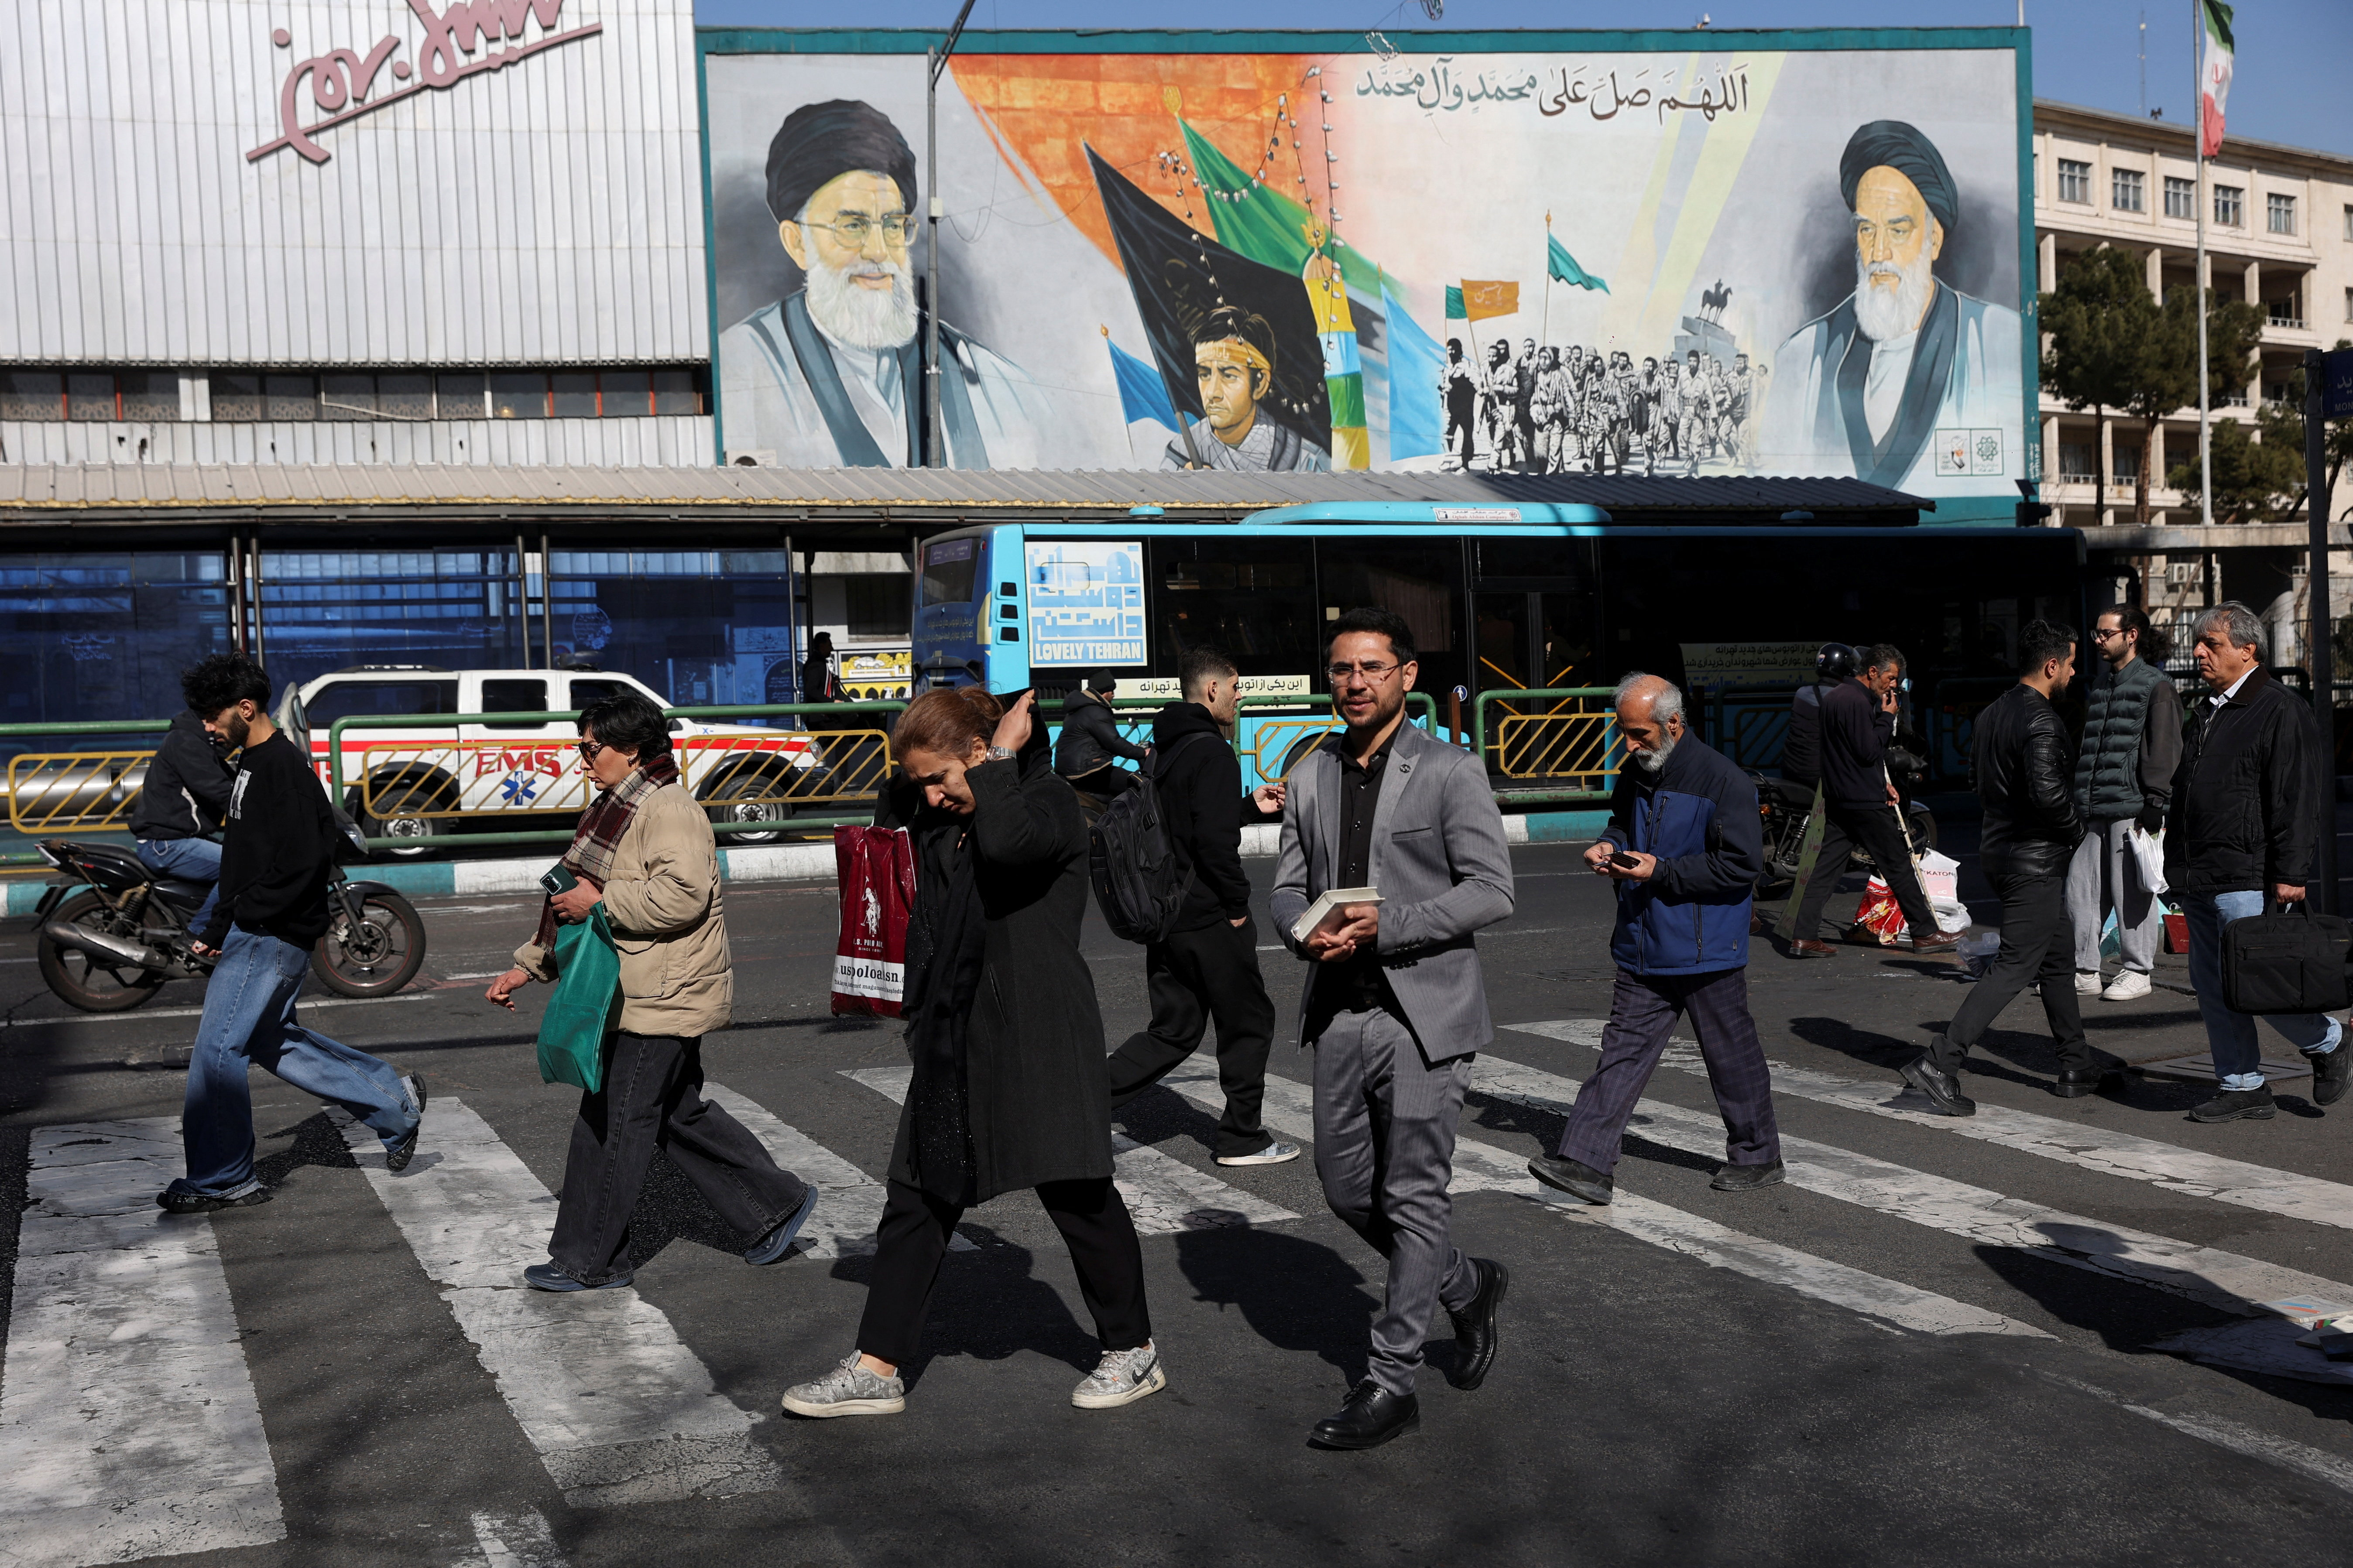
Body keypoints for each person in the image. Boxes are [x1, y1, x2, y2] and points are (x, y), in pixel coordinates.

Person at [782, 686, 1162, 1417]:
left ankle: (1132, 1346)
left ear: (982, 756)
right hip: (955, 1029)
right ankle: (877, 1363)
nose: (930, 793)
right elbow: (893, 831)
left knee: (1075, 1188)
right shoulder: (937, 812)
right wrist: (929, 775)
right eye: (919, 779)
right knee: (919, 1192)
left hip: (1038, 1027)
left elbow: (1007, 845)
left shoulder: (1045, 801)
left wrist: (1003, 760)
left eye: (941, 776)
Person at [1271, 606, 1513, 1450]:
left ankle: (1391, 1379)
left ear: (1406, 676)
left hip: (1426, 1013)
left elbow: (1492, 887)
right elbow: (1286, 884)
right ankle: (1465, 1279)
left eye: (1372, 667)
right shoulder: (1309, 774)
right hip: (1338, 1010)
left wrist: (1393, 923)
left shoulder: (1450, 769)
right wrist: (1302, 929)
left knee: (1413, 1196)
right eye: (1341, 669)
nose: (1355, 683)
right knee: (1345, 1190)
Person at [486, 691, 816, 1290]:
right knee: (674, 1114)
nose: (582, 760)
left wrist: (602, 900)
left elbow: (682, 896)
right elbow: (573, 904)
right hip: (633, 989)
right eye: (580, 746)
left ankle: (592, 1259)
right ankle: (774, 1205)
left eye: (591, 747)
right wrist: (530, 965)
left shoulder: (666, 808)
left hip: (662, 996)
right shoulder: (619, 808)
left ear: (631, 749)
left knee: (613, 1121)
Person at [159, 654, 424, 1214]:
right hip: (255, 930)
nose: (207, 726)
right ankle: (393, 1104)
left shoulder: (283, 769)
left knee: (217, 1052)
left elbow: (305, 862)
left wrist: (249, 916)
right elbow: (243, 859)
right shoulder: (252, 765)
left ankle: (223, 1177)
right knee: (272, 1042)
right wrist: (216, 922)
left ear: (245, 708)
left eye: (213, 715)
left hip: (269, 936)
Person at [1529, 674, 1784, 1202]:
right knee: (1620, 1053)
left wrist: (1660, 871)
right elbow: (1621, 823)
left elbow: (1740, 867)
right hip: (1643, 940)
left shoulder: (1723, 781)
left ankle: (1758, 1156)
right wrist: (1608, 846)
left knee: (1729, 1055)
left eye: (1638, 734)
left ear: (1673, 724)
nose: (1629, 744)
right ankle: (1585, 1162)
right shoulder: (1636, 771)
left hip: (1706, 947)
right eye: (1623, 732)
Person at [718, 99, 1048, 469]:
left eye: (893, 226)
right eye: (852, 226)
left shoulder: (995, 383)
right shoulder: (739, 368)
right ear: (797, 243)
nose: (878, 251)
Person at [1104, 647, 1298, 1166]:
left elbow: (1180, 822)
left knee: (1175, 1028)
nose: (1241, 696)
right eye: (1236, 687)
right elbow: (1212, 845)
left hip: (1165, 911)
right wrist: (1237, 904)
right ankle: (1241, 1138)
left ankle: (1079, 1106)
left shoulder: (1161, 747)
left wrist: (1244, 807)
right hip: (1208, 914)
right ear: (1212, 689)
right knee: (1249, 1022)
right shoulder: (1212, 751)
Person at [1759, 119, 2023, 491]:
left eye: (1898, 230)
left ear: (1934, 239)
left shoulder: (2001, 342)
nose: (1878, 252)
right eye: (1867, 230)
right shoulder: (1801, 361)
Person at [1900, 621, 2100, 1113]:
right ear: (2051, 665)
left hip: (2000, 850)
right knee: (2014, 965)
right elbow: (2048, 795)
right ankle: (1939, 1062)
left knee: (2055, 958)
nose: (2075, 673)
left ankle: (2076, 1063)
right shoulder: (2043, 720)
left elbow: (1978, 779)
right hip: (2033, 857)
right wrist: (2078, 831)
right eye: (2071, 664)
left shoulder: (1992, 713)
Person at [2161, 602, 2348, 1122]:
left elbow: (2296, 795)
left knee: (2256, 982)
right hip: (2199, 873)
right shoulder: (2210, 708)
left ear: (2248, 650)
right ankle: (2241, 1084)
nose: (2199, 652)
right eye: (2198, 643)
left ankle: (2328, 1041)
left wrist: (2291, 872)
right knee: (2213, 986)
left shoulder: (2278, 708)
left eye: (2212, 644)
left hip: (2246, 872)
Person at [1787, 643, 1954, 958]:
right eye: (1890, 678)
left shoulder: (1836, 697)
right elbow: (1868, 751)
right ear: (1873, 672)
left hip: (1840, 797)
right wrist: (1886, 718)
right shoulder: (1859, 702)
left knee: (1826, 870)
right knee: (1898, 865)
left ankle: (1803, 937)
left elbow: (1848, 752)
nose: (1894, 685)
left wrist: (1883, 783)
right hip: (1862, 801)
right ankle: (1926, 932)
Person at [2067, 608, 2182, 1003]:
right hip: (2093, 805)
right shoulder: (2102, 684)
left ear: (2131, 635)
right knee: (2082, 889)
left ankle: (2137, 970)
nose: (2097, 640)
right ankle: (2086, 969)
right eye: (2096, 633)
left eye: (2105, 634)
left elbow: (2164, 748)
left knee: (2131, 892)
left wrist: (2156, 801)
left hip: (2132, 806)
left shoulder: (2156, 686)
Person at [1162, 304, 1332, 472]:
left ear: (1260, 384)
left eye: (1229, 375)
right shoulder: (1180, 457)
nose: (1213, 393)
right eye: (1205, 375)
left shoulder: (1307, 462)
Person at [129, 700, 235, 945]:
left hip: (179, 837)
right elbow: (219, 790)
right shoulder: (186, 743)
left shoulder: (200, 744)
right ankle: (197, 934)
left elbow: (234, 783)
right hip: (166, 842)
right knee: (238, 868)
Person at [1053, 670, 1148, 801]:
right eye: (1112, 691)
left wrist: (1129, 746)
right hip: (1086, 772)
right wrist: (1143, 753)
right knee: (1141, 784)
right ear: (1105, 691)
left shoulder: (1082, 708)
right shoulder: (1095, 712)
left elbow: (1095, 744)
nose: (1113, 695)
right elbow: (1114, 743)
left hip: (1073, 770)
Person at [1441, 338, 1478, 468]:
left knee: (1467, 435)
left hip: (1465, 409)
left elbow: (1476, 383)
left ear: (1460, 351)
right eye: (1449, 350)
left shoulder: (1467, 366)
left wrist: (1481, 390)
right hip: (1452, 409)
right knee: (1449, 435)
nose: (1452, 353)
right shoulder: (1448, 368)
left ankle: (1465, 463)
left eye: (1454, 350)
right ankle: (1448, 460)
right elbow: (1446, 385)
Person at [803, 632, 846, 707]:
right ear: (822, 647)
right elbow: (811, 689)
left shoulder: (820, 662)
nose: (832, 649)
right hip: (818, 714)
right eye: (830, 645)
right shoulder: (815, 664)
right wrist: (832, 702)